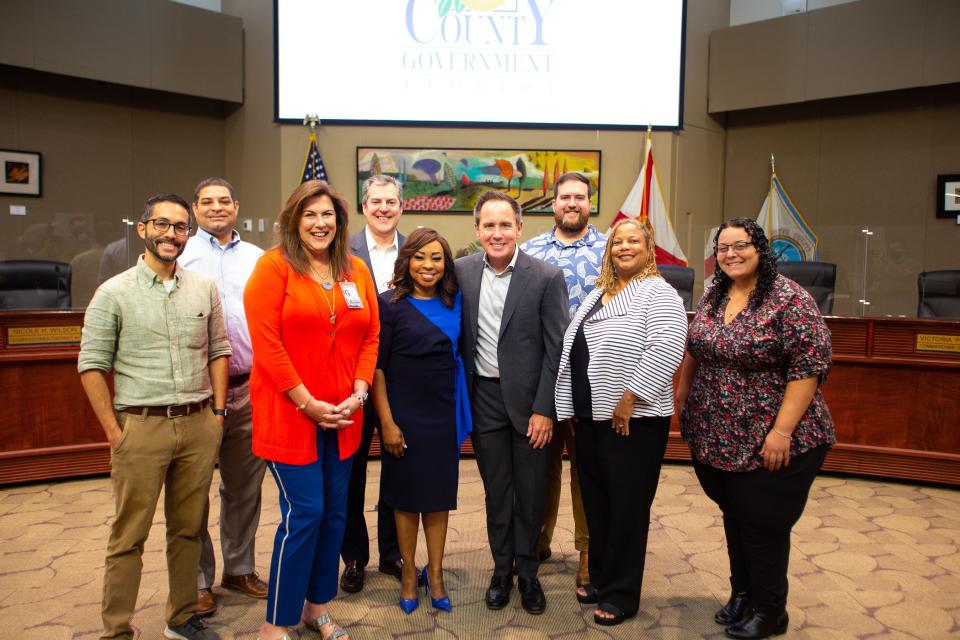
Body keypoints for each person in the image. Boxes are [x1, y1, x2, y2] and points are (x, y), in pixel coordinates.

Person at [79, 194, 230, 640]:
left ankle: (182, 617)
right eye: (162, 224)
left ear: (189, 234)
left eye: (180, 227)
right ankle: (117, 629)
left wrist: (218, 413)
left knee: (188, 529)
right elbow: (91, 364)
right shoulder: (114, 292)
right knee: (129, 536)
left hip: (199, 424)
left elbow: (220, 350)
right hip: (139, 427)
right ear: (143, 229)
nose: (171, 234)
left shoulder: (203, 287)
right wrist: (114, 431)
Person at [677, 217, 835, 639]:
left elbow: (809, 368)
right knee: (736, 516)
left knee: (763, 523)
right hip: (717, 433)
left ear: (761, 249)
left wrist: (781, 432)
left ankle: (771, 612)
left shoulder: (789, 299)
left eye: (740, 245)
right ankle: (743, 595)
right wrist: (683, 397)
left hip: (774, 435)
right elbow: (697, 347)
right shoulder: (715, 292)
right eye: (723, 247)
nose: (731, 254)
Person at [244, 180, 379, 640]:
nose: (320, 223)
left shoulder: (355, 269)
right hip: (290, 416)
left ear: (340, 222)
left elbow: (370, 336)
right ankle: (276, 620)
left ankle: (316, 607)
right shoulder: (272, 268)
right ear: (293, 220)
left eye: (328, 215)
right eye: (310, 215)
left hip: (344, 416)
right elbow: (267, 345)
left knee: (335, 515)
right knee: (305, 513)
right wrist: (308, 403)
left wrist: (359, 394)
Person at [555, 218, 687, 626]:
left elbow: (666, 347)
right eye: (617, 243)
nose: (624, 248)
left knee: (627, 507)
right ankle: (600, 578)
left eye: (634, 241)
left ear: (649, 250)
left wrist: (631, 396)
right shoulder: (600, 291)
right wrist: (571, 407)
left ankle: (622, 594)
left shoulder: (659, 293)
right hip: (593, 417)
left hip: (634, 420)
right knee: (597, 501)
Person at [455, 191, 568, 615]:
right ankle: (502, 572)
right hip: (483, 397)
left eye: (505, 225)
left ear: (519, 229)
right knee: (497, 493)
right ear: (477, 230)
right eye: (489, 225)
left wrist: (545, 409)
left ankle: (529, 575)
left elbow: (556, 350)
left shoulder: (545, 276)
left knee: (531, 492)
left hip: (531, 404)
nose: (497, 233)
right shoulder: (461, 272)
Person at [180, 177, 268, 616]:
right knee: (192, 489)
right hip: (196, 392)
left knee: (244, 487)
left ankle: (239, 566)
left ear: (237, 206)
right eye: (207, 202)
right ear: (195, 209)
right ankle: (198, 580)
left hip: (251, 387)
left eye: (224, 201)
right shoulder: (180, 255)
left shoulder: (258, 258)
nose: (216, 208)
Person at [372, 227, 470, 613]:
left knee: (439, 498)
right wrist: (388, 423)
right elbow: (378, 370)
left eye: (436, 258)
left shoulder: (456, 302)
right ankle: (410, 574)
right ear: (406, 260)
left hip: (442, 411)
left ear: (446, 265)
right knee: (406, 499)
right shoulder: (389, 304)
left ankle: (439, 574)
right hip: (404, 413)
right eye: (420, 257)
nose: (428, 265)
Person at [520, 171, 605, 588]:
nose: (572, 203)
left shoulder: (612, 250)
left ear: (590, 202)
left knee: (586, 467)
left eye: (580, 197)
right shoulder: (530, 250)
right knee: (541, 465)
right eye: (564, 197)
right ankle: (535, 541)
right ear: (553, 203)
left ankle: (588, 552)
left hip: (593, 377)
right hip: (543, 376)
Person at [340, 174, 406, 592]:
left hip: (402, 377)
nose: (383, 208)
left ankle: (393, 553)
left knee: (399, 468)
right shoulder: (341, 252)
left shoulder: (417, 252)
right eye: (376, 201)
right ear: (364, 207)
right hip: (353, 378)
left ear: (402, 206)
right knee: (352, 470)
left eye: (391, 201)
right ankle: (354, 557)